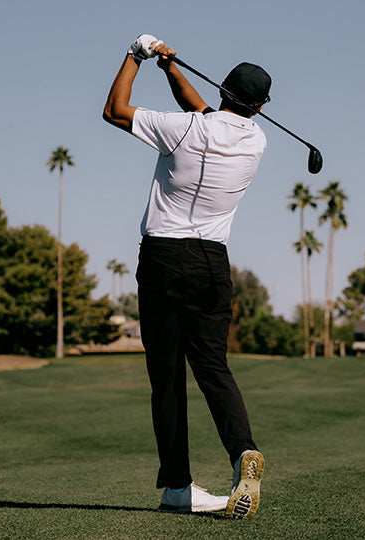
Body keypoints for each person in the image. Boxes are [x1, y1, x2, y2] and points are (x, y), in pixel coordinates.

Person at [103, 34, 270, 519]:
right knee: (213, 367)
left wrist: (136, 56)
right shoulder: (256, 141)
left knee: (167, 378)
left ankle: (178, 487)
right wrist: (171, 69)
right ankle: (243, 451)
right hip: (212, 263)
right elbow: (205, 113)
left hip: (163, 259)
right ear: (261, 107)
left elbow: (115, 110)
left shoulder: (182, 129)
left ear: (222, 89)